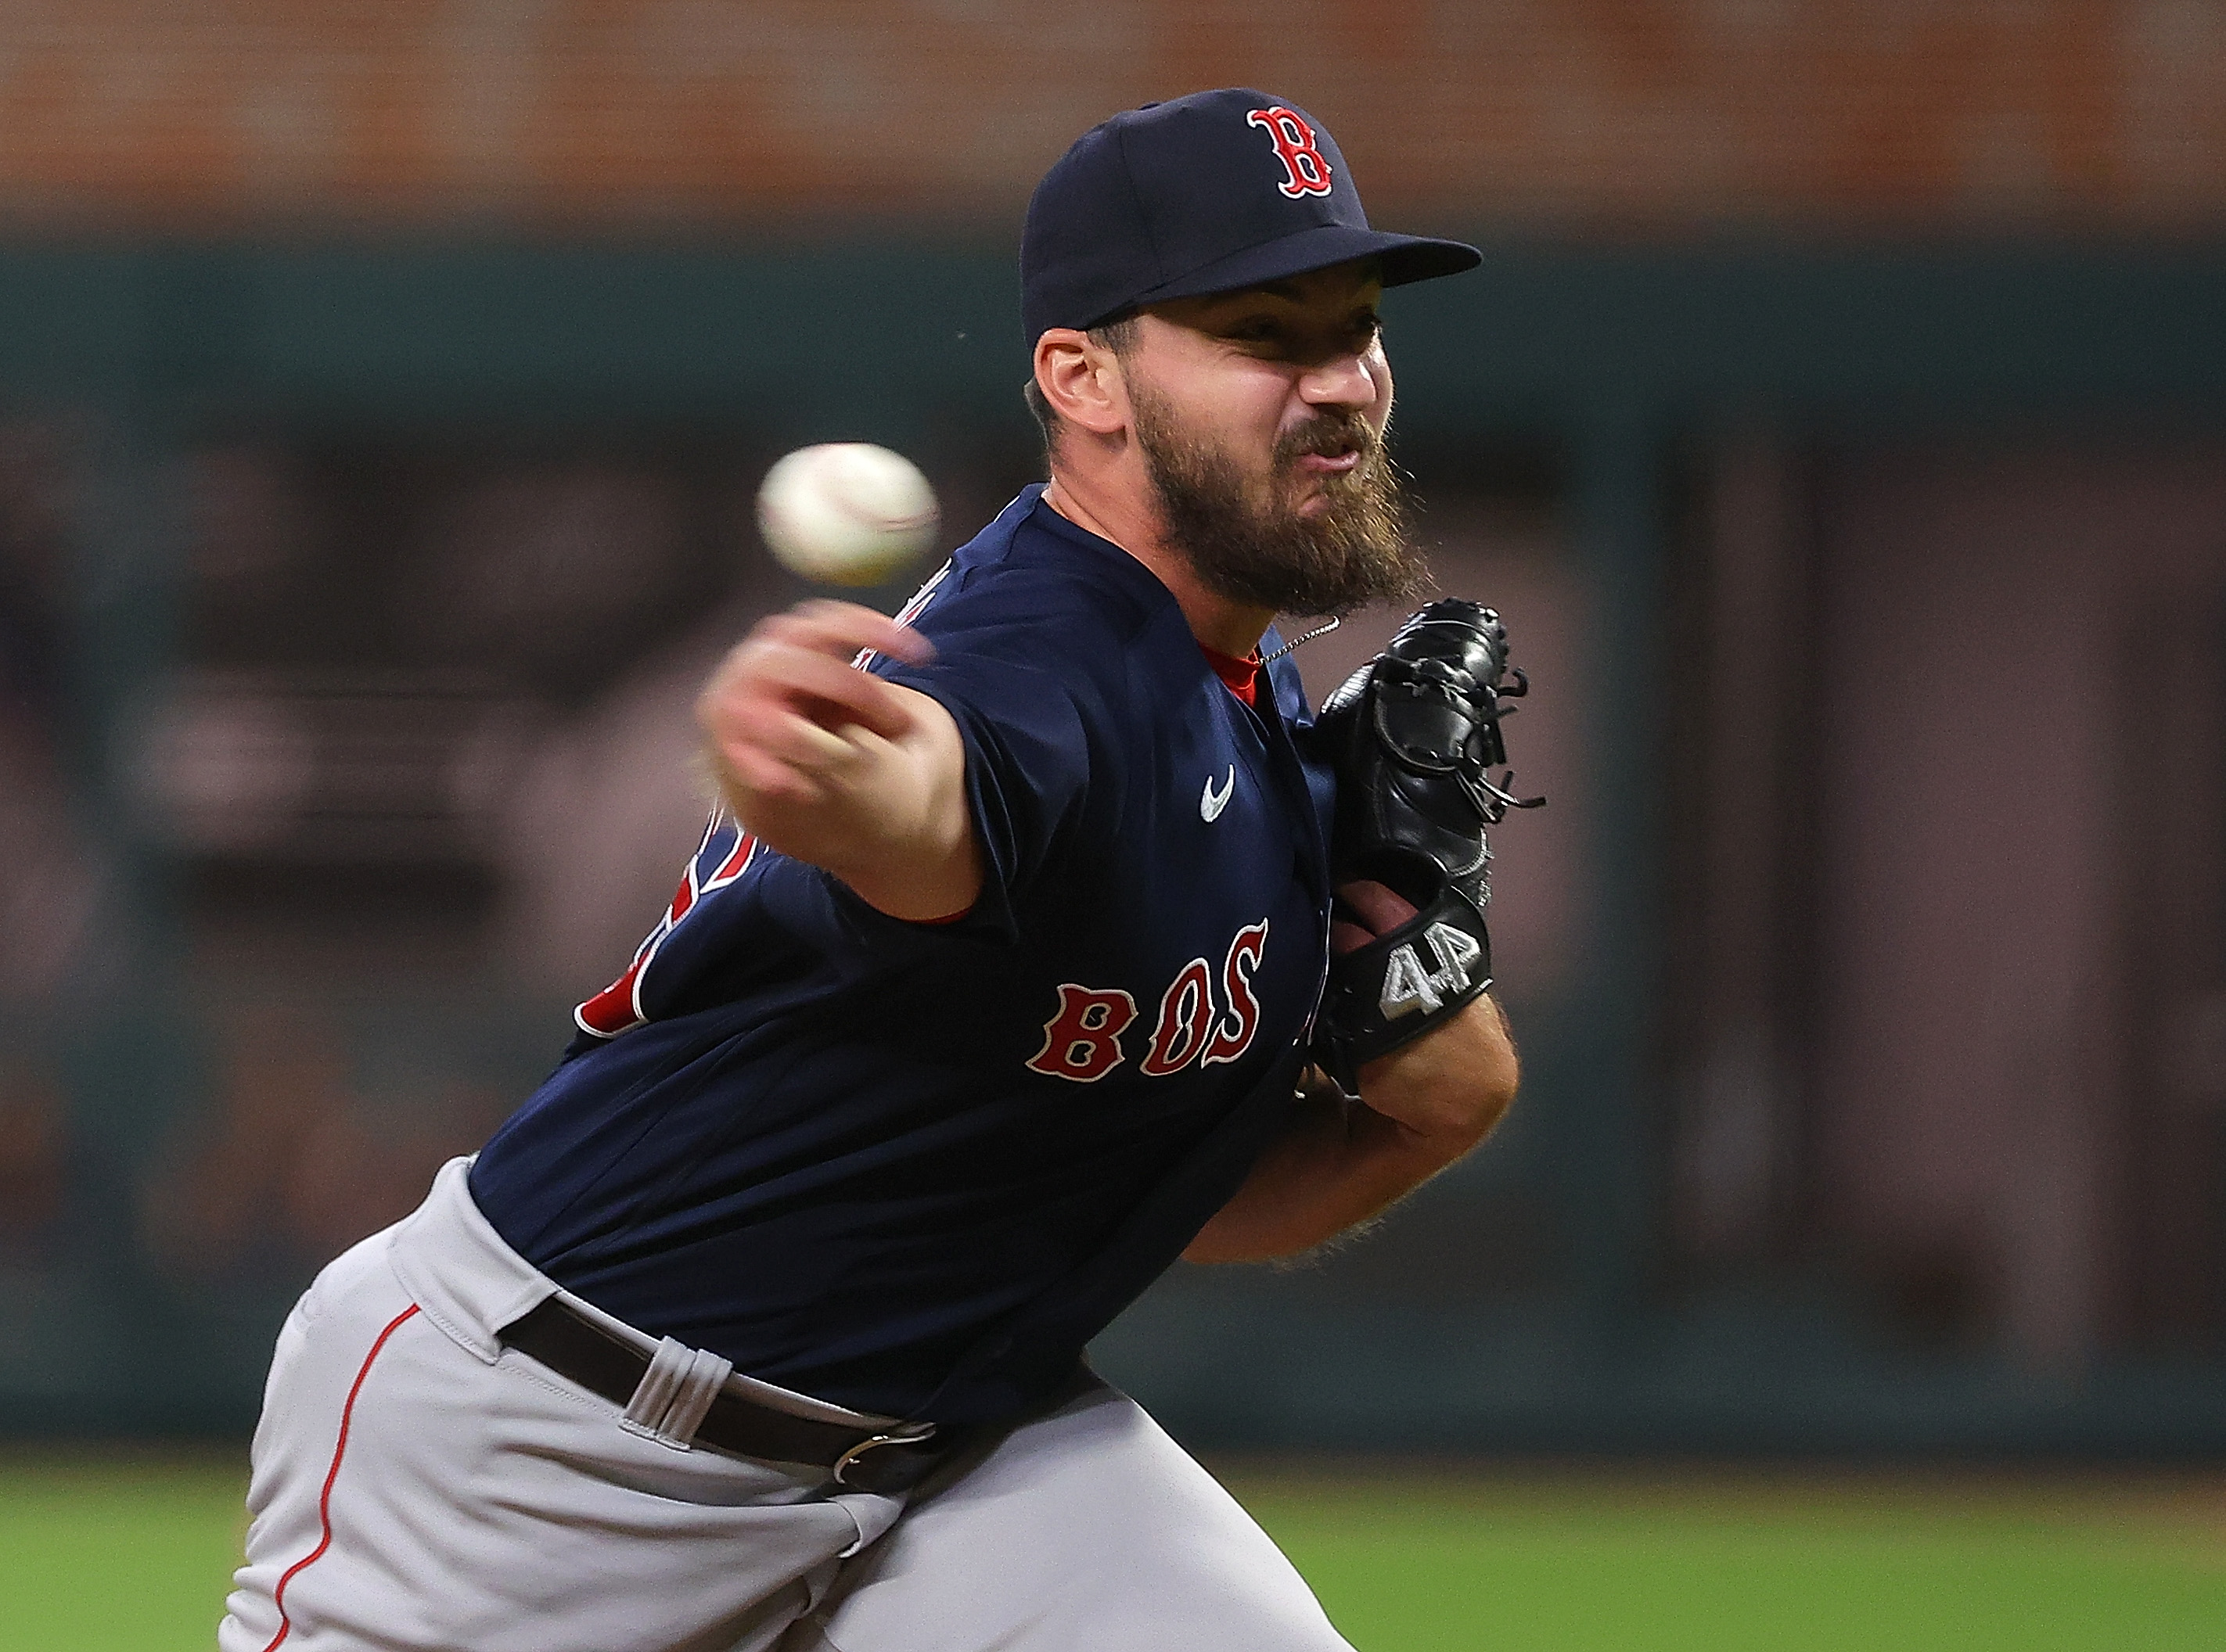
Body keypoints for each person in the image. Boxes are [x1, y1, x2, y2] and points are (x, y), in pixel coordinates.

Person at [220, 88, 1520, 1652]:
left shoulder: (1244, 699)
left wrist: (1434, 1034)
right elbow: (937, 795)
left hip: (949, 1451)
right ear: (1082, 375)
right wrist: (835, 779)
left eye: (1355, 327)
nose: (1341, 385)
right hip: (544, 1450)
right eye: (1264, 335)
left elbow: (1153, 1191)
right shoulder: (1042, 661)